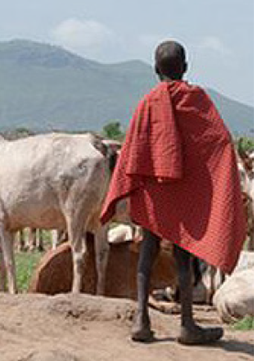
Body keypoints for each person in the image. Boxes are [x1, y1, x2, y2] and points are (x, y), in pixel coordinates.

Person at [100, 40, 246, 345]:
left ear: (155, 70)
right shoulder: (197, 99)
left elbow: (134, 148)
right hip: (183, 193)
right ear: (186, 68)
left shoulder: (148, 101)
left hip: (154, 191)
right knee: (182, 256)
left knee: (148, 251)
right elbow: (219, 141)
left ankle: (141, 320)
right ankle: (187, 325)